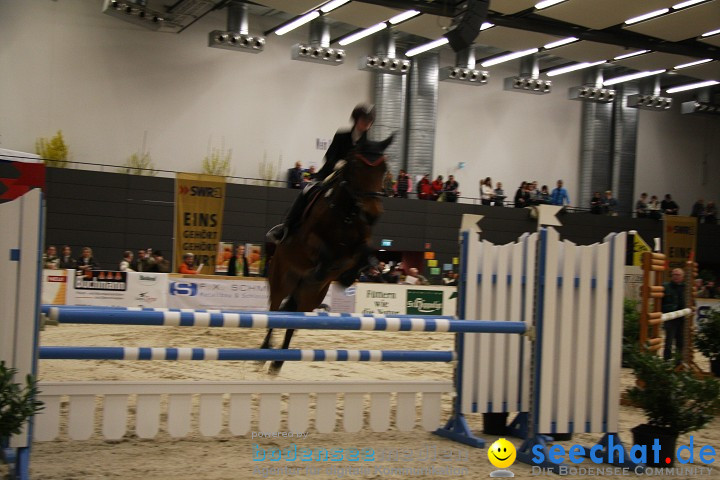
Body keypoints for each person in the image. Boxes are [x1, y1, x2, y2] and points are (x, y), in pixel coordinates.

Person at [268, 104, 376, 243]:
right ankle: (286, 227)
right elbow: (329, 156)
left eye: (369, 122)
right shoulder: (341, 136)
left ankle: (362, 240)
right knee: (307, 190)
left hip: (353, 182)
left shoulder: (367, 145)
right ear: (356, 119)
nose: (366, 124)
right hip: (330, 174)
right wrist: (338, 164)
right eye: (364, 120)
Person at [662, 268, 687, 363]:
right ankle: (666, 361)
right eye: (674, 274)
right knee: (669, 341)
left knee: (680, 341)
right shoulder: (666, 286)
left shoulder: (685, 287)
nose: (675, 276)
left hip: (682, 318)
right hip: (670, 318)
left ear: (682, 277)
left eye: (678, 275)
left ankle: (679, 362)